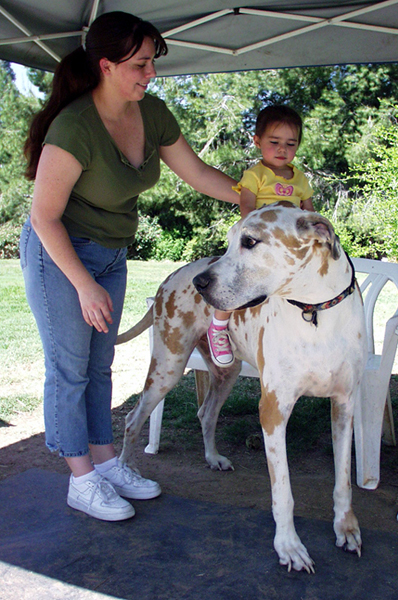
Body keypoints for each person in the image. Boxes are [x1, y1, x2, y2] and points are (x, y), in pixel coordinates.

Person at [20, 11, 240, 522]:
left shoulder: (153, 113)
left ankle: (104, 462)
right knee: (70, 370)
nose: (150, 73)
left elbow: (199, 172)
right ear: (106, 66)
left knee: (100, 367)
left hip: (112, 253)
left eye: (152, 63)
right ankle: (80, 480)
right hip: (61, 253)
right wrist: (82, 285)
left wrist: (254, 200)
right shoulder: (74, 126)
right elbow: (44, 216)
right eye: (140, 64)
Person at [207, 105, 315, 368]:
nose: (282, 150)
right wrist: (260, 232)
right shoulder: (255, 175)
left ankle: (302, 328)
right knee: (235, 279)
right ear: (257, 142)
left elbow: (309, 211)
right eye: (274, 142)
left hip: (283, 244)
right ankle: (218, 326)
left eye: (291, 144)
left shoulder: (300, 179)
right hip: (252, 235)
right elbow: (247, 208)